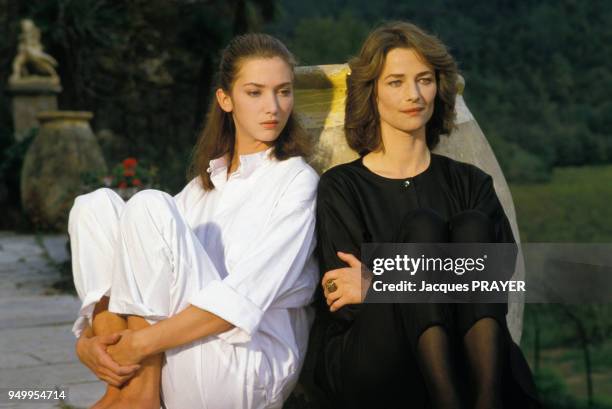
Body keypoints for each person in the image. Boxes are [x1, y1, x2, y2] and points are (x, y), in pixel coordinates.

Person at [68, 33, 319, 409]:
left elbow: (242, 301)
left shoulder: (297, 181)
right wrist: (88, 342)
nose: (273, 107)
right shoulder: (202, 188)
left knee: (149, 203)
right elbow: (139, 274)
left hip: (244, 366)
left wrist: (139, 344)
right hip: (177, 354)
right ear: (226, 99)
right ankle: (127, 388)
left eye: (283, 91)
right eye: (255, 92)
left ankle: (137, 394)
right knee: (94, 205)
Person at [311, 21, 541, 409]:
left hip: (467, 354)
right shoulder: (342, 187)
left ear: (439, 87)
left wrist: (379, 283)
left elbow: (497, 287)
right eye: (396, 82)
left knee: (471, 225)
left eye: (424, 80)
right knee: (423, 226)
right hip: (374, 358)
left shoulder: (471, 183)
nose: (414, 95)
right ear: (372, 93)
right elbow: (343, 297)